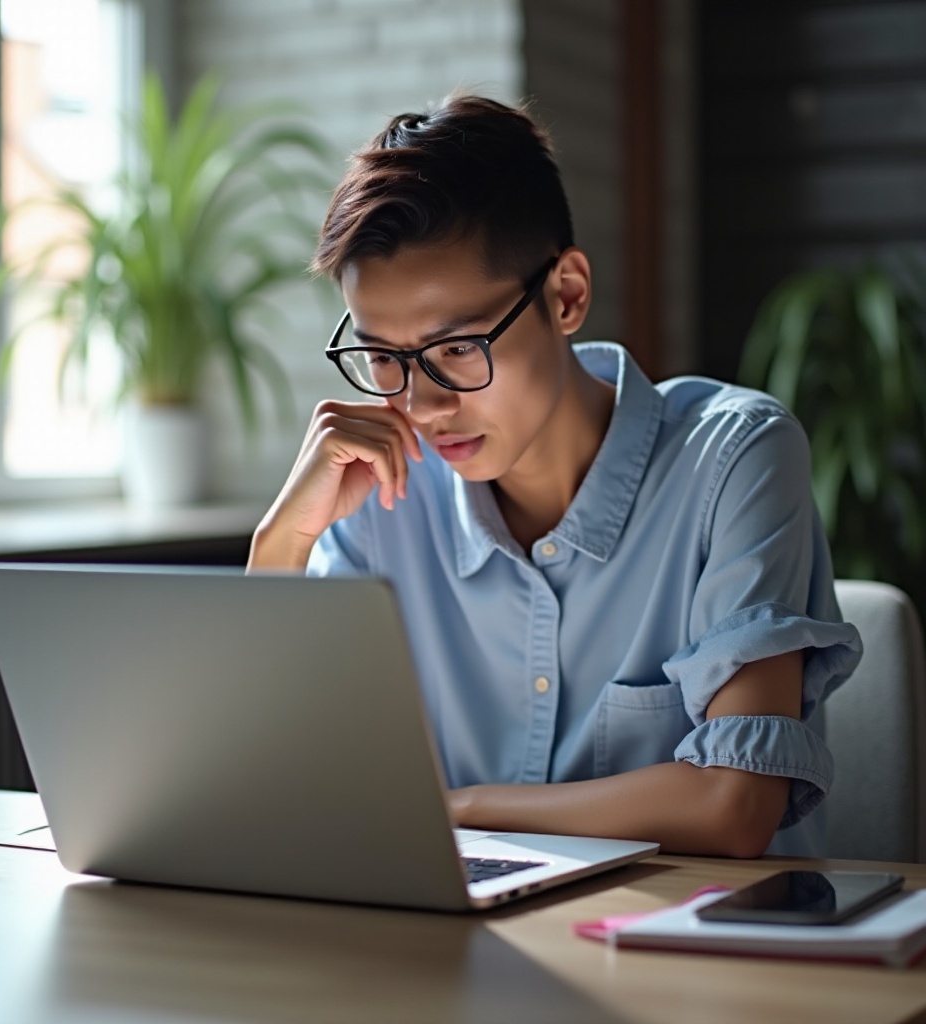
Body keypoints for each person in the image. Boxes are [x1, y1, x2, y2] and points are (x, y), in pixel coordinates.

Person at [246, 95, 862, 857]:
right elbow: (274, 793)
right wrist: (282, 543)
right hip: (454, 954)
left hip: (697, 953)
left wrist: (460, 809)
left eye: (459, 348)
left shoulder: (734, 458)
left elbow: (735, 804)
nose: (422, 404)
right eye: (382, 357)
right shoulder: (380, 493)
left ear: (567, 295)